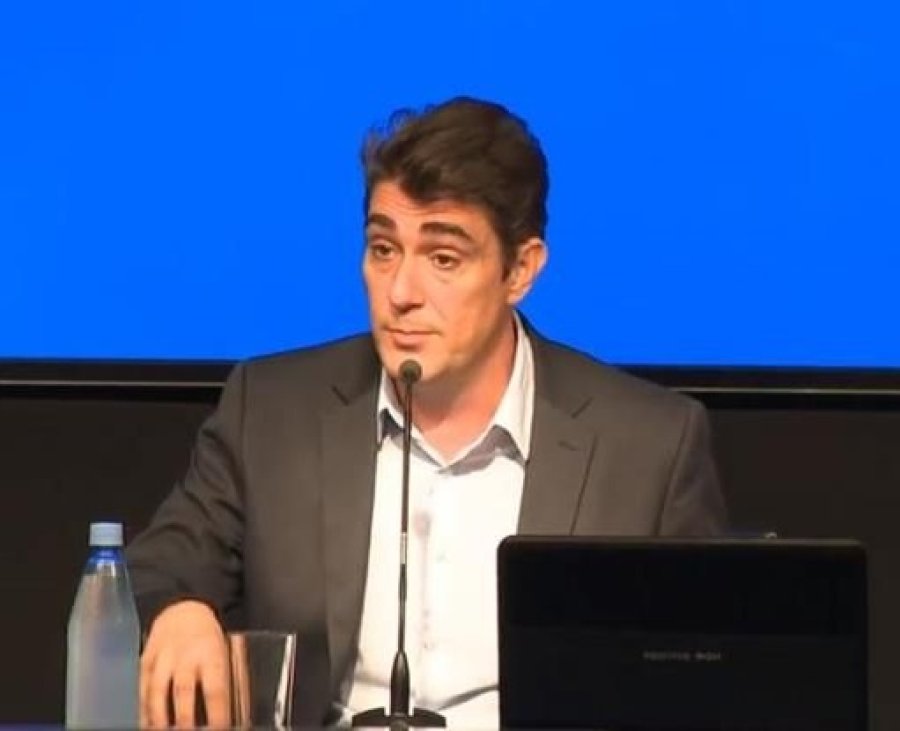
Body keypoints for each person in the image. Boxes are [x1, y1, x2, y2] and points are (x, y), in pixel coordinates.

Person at [127, 96, 727, 728]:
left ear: (520, 270)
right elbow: (147, 575)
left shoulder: (647, 446)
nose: (401, 293)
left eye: (443, 258)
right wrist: (179, 610)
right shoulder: (274, 410)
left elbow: (711, 672)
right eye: (384, 249)